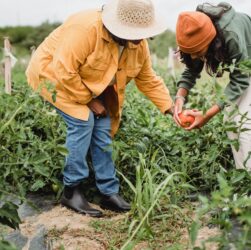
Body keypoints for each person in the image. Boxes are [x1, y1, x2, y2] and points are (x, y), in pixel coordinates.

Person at [26, 0, 173, 217]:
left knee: (103, 126)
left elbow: (148, 78)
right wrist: (90, 100)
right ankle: (71, 190)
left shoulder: (137, 44)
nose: (140, 40)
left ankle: (108, 192)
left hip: (88, 82)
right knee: (83, 120)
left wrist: (170, 108)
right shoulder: (85, 29)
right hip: (52, 76)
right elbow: (64, 71)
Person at [173, 2, 251, 172]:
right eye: (190, 52)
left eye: (198, 51)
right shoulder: (193, 30)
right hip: (244, 71)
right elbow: (191, 70)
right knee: (230, 120)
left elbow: (241, 79)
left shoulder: (231, 35)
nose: (193, 56)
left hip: (248, 66)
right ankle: (243, 180)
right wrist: (179, 97)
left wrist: (207, 115)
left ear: (211, 42)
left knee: (242, 123)